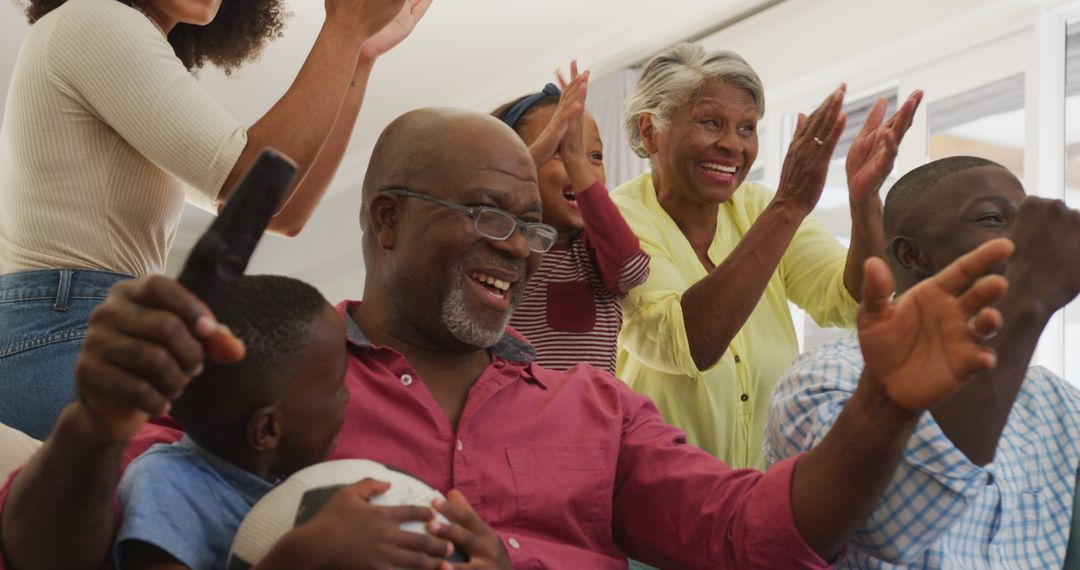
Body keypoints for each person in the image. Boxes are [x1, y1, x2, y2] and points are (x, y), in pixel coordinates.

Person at [0, 108, 1013, 570]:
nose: (523, 248)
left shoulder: (595, 410)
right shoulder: (266, 367)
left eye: (533, 222)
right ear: (387, 221)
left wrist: (883, 407)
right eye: (489, 213)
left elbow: (749, 534)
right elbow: (51, 548)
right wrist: (97, 419)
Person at [0, 0, 431, 439]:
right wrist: (343, 29)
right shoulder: (94, 19)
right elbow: (253, 177)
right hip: (65, 328)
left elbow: (283, 210)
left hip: (70, 327)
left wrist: (356, 51)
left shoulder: (105, 41)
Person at [610, 42, 923, 468]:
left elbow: (851, 302)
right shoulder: (616, 220)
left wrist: (864, 200)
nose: (733, 146)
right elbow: (685, 343)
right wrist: (789, 206)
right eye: (710, 122)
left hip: (763, 496)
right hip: (660, 504)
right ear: (650, 131)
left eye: (746, 128)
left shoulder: (758, 207)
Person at [766, 156, 1080, 568]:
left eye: (1027, 221)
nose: (1027, 239)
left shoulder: (1054, 400)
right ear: (911, 255)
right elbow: (891, 529)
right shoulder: (825, 380)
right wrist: (1029, 300)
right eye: (992, 219)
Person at [115, 275, 366, 569]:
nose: (347, 395)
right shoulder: (166, 484)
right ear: (267, 429)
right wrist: (300, 555)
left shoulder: (293, 483)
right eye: (336, 385)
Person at [493, 64, 649, 372]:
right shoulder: (501, 242)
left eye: (596, 156)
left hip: (589, 415)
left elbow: (632, 271)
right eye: (562, 150)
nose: (583, 168)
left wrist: (576, 162)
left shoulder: (594, 248)